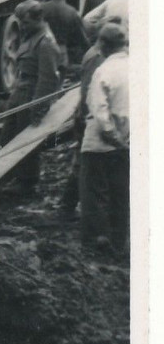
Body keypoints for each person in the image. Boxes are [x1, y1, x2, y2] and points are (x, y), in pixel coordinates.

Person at [60, 15, 123, 216]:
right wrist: (87, 118)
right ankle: (67, 206)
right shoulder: (97, 58)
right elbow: (90, 91)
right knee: (83, 164)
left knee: (83, 163)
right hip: (89, 117)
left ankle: (67, 206)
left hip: (88, 115)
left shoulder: (95, 54)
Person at [0, 0, 60, 191]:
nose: (22, 27)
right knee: (7, 136)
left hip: (31, 94)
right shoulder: (32, 35)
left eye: (25, 22)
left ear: (38, 18)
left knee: (25, 140)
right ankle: (13, 174)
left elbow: (48, 79)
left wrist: (38, 107)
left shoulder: (45, 42)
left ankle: (27, 181)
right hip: (20, 90)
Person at [78, 23, 129, 254]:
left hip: (100, 143)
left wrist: (111, 135)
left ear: (105, 45)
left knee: (94, 192)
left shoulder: (103, 71)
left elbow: (98, 109)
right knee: (120, 192)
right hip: (127, 142)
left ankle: (97, 241)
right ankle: (119, 242)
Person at [42, 0, 88, 76]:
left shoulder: (42, 7)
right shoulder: (71, 12)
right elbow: (82, 39)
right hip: (61, 53)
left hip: (43, 51)